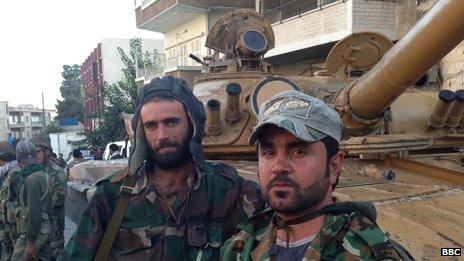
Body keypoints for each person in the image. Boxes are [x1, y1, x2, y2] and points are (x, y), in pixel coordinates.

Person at [61, 75, 265, 260]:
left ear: (192, 125)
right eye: (151, 126)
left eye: (171, 122)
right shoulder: (112, 195)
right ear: (142, 132)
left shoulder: (229, 190)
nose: (162, 136)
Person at [221, 91, 412, 260]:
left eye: (298, 152)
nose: (278, 167)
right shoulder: (239, 248)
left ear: (334, 166)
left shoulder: (372, 254)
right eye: (268, 152)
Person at [12, 140, 53, 260]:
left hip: (34, 233)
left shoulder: (31, 179)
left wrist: (30, 243)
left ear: (18, 158)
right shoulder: (44, 174)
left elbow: (34, 212)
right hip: (44, 230)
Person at [31, 136, 68, 260]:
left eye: (38, 151)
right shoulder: (33, 171)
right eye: (33, 152)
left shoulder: (57, 172)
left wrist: (35, 201)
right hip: (38, 230)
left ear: (47, 152)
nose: (36, 155)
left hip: (54, 232)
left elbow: (60, 198)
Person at [0, 141, 21, 260]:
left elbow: (20, 202)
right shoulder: (5, 173)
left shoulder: (16, 174)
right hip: (6, 225)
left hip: (14, 226)